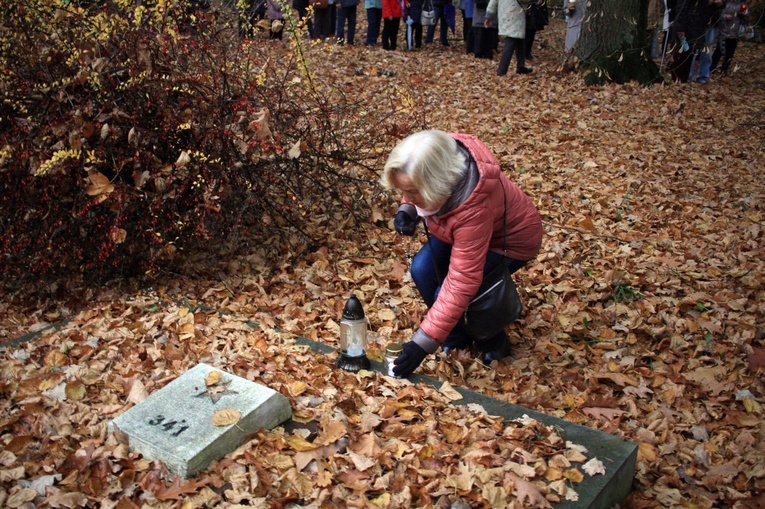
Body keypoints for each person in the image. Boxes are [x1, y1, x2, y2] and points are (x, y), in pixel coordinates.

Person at [380, 130, 543, 378]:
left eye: (413, 192)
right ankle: (456, 336)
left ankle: (493, 340)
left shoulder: (473, 206)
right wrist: (408, 210)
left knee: (466, 292)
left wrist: (422, 344)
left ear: (436, 184)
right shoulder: (438, 157)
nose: (408, 197)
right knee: (422, 270)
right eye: (405, 191)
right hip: (456, 230)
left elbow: (462, 281)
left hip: (509, 241)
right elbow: (415, 183)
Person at [672, 0, 723, 83]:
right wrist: (681, 28)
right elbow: (682, 10)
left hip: (698, 26)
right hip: (687, 28)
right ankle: (681, 79)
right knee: (683, 53)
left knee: (690, 53)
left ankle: (685, 79)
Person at [485, 0, 532, 75]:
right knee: (511, 40)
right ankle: (502, 71)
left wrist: (489, 15)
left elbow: (493, 1)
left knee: (519, 38)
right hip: (514, 13)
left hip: (505, 13)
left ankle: (521, 66)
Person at [711, 0, 750, 75]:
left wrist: (743, 14)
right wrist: (725, 17)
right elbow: (717, 14)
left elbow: (747, 16)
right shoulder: (726, 2)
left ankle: (724, 70)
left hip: (735, 33)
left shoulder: (743, 3)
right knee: (719, 51)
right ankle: (712, 68)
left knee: (730, 53)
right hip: (723, 31)